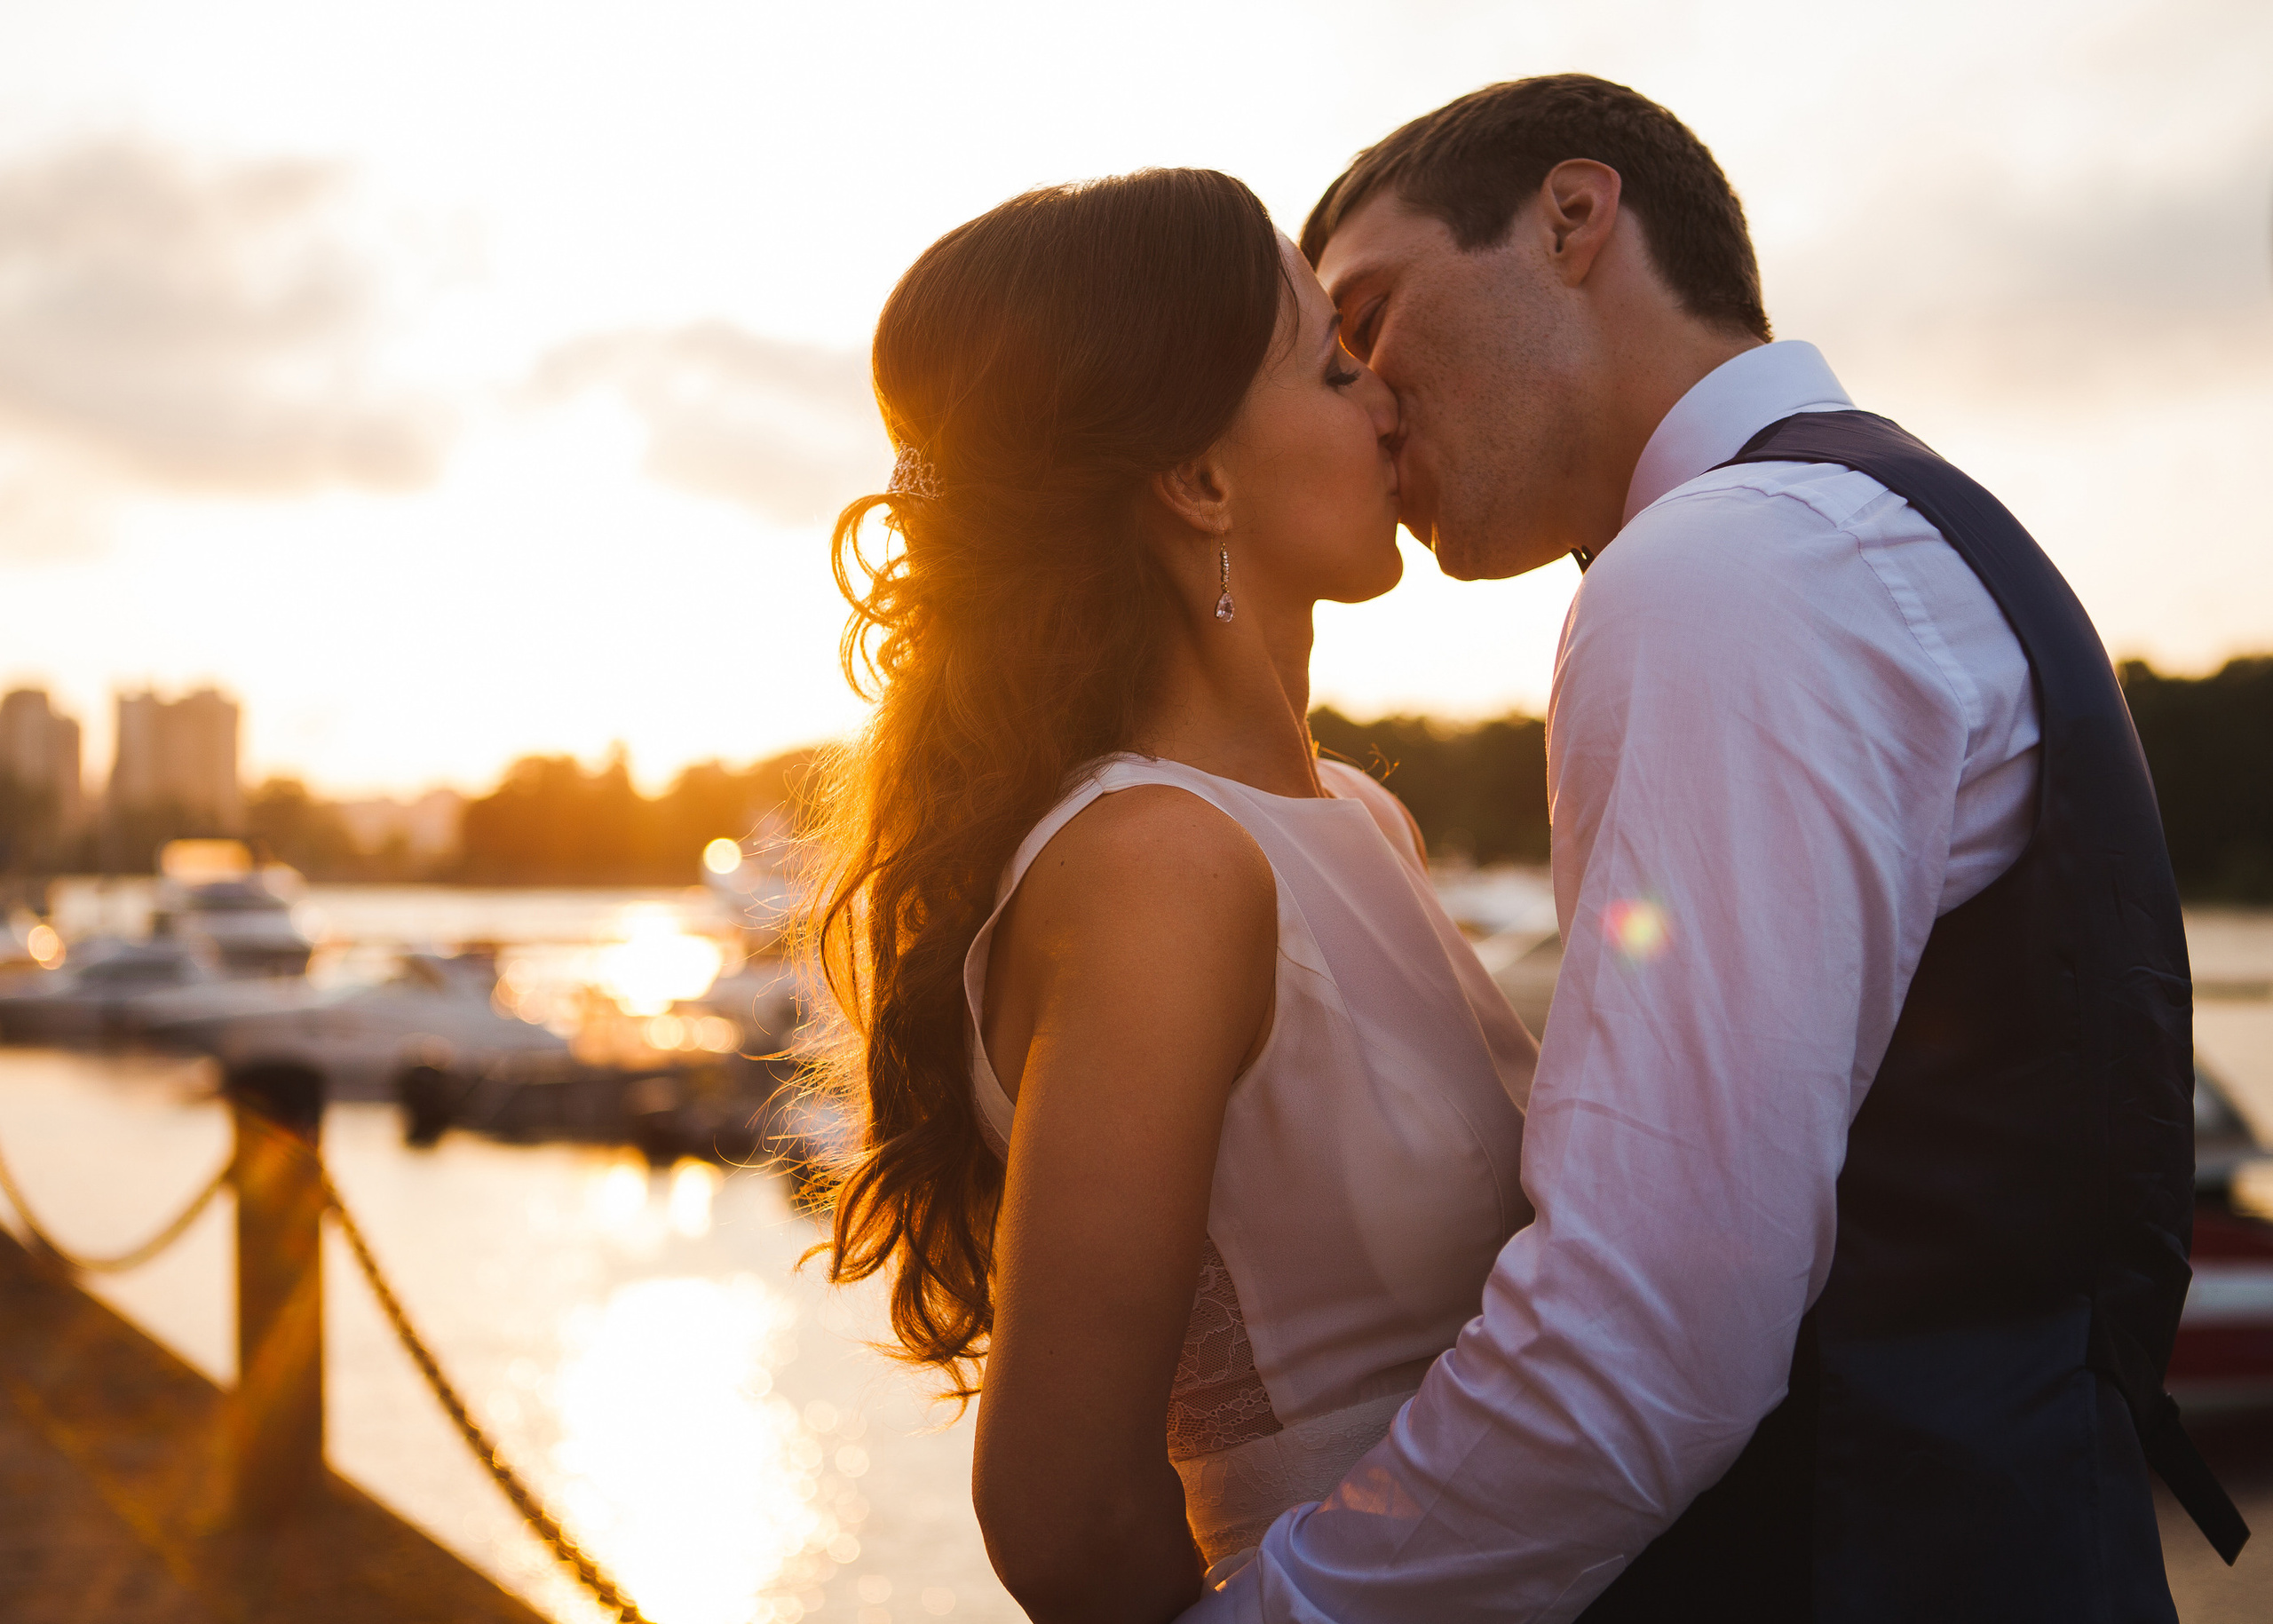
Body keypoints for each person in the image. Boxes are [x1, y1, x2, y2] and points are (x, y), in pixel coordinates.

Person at [1181, 74, 2242, 1623]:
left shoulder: (1728, 571)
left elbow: (1649, 1328)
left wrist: (1282, 1610)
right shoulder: (1874, 521)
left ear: (1571, 217)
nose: (1372, 400)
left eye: (1374, 316)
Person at [806, 169, 1538, 1622]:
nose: (1388, 398)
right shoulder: (1157, 866)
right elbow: (1063, 1513)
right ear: (1200, 481)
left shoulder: (1359, 816)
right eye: (1334, 366)